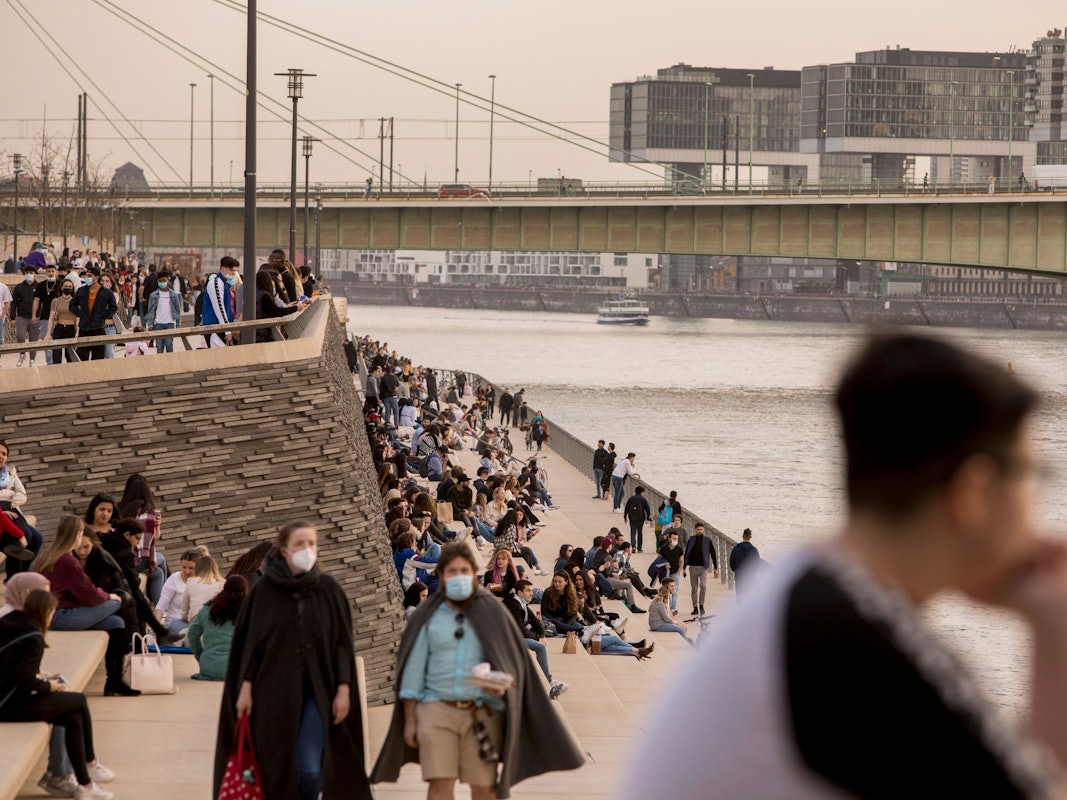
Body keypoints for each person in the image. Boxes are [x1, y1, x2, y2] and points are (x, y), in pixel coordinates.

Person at [623, 332, 1067, 800]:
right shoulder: (848, 643)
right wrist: (1058, 624)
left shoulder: (806, 596)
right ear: (973, 493)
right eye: (1034, 476)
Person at [370, 543, 584, 799]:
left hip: (482, 714)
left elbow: (511, 660)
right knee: (440, 784)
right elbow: (413, 671)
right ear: (442, 574)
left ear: (473, 573)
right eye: (452, 571)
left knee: (483, 786)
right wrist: (411, 719)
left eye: (464, 571)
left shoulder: (491, 610)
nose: (459, 577)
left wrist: (503, 684)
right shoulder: (426, 614)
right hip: (436, 711)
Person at [214, 521, 371, 800]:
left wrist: (344, 688)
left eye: (312, 543)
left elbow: (342, 645)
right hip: (271, 692)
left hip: (316, 692)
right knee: (275, 770)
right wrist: (246, 688)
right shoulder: (263, 592)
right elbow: (251, 646)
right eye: (300, 544)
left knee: (309, 769)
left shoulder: (328, 589)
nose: (307, 549)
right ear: (284, 550)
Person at [0, 588, 117, 800]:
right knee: (78, 700)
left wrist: (42, 679)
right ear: (46, 612)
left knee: (71, 718)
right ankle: (89, 764)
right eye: (52, 611)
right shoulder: (34, 636)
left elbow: (14, 668)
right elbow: (25, 681)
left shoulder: (12, 622)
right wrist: (50, 686)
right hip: (9, 704)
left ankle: (85, 784)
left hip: (7, 696)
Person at [35, 515, 139, 697]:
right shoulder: (68, 561)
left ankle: (113, 681)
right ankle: (124, 658)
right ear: (76, 534)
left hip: (54, 614)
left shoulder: (50, 554)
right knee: (120, 601)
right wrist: (111, 596)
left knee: (115, 623)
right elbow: (90, 595)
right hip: (61, 617)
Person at [503, 579, 569, 699]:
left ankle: (546, 682)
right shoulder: (513, 605)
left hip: (515, 637)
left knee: (540, 644)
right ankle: (549, 682)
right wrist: (538, 639)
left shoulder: (521, 602)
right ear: (519, 592)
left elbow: (535, 621)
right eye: (528, 591)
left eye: (531, 590)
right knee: (540, 647)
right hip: (507, 639)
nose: (531, 593)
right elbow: (520, 629)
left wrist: (542, 634)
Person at [188, 575, 247, 680]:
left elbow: (192, 635)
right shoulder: (250, 612)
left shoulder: (207, 610)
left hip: (209, 667)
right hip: (239, 670)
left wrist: (200, 656)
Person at [0, 440, 44, 579]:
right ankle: (13, 578)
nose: (1, 456)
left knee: (37, 539)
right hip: (2, 513)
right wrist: (9, 495)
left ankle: (22, 575)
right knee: (23, 537)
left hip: (11, 509)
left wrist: (9, 499)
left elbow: (22, 494)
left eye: (4, 454)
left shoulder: (10, 472)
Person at [68, 265, 117, 361]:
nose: (87, 278)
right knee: (82, 357)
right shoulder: (81, 291)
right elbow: (72, 305)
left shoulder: (106, 292)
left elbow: (113, 307)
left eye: (90, 275)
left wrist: (103, 315)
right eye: (86, 275)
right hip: (84, 328)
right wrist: (80, 313)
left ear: (97, 277)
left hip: (98, 328)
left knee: (98, 358)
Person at [201, 256, 238, 347]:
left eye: (235, 271)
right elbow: (219, 308)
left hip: (220, 328)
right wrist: (227, 330)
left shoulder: (224, 283)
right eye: (231, 270)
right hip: (216, 328)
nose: (233, 274)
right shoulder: (216, 283)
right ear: (223, 268)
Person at [682, 522, 718, 616]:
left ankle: (701, 605)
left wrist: (716, 567)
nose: (700, 531)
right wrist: (684, 567)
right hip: (693, 567)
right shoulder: (691, 539)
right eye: (698, 529)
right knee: (694, 588)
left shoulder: (707, 540)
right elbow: (687, 553)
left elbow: (713, 553)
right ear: (695, 530)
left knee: (703, 586)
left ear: (703, 530)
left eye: (701, 529)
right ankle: (695, 607)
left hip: (703, 568)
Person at [144, 268, 182, 353]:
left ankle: (169, 364)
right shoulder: (153, 295)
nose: (162, 283)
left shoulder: (173, 295)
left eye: (164, 280)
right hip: (158, 323)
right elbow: (150, 310)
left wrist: (178, 324)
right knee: (159, 347)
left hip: (170, 323)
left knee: (169, 345)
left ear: (167, 281)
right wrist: (150, 324)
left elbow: (177, 310)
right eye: (160, 281)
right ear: (157, 282)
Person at [647, 579, 692, 644]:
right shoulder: (660, 604)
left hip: (659, 623)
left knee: (680, 628)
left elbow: (667, 616)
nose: (673, 588)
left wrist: (676, 623)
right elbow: (666, 618)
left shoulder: (660, 601)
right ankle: (686, 643)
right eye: (672, 586)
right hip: (657, 625)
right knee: (681, 630)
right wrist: (676, 623)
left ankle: (686, 641)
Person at [181, 554, 224, 622]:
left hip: (197, 622)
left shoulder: (191, 581)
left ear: (197, 568)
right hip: (218, 621)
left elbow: (184, 614)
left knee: (175, 622)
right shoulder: (224, 583)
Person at [728, 528, 761, 598]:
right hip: (750, 577)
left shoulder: (736, 548)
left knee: (740, 596)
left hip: (739, 576)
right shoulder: (754, 550)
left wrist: (736, 570)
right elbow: (757, 565)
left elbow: (731, 563)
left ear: (742, 536)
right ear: (750, 537)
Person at [623, 486, 652, 552]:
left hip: (632, 518)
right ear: (641, 492)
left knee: (633, 532)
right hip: (640, 518)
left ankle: (633, 546)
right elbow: (647, 509)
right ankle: (639, 548)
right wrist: (648, 516)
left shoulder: (631, 498)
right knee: (640, 532)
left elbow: (627, 507)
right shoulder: (643, 499)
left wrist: (625, 516)